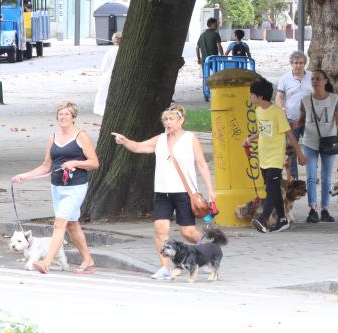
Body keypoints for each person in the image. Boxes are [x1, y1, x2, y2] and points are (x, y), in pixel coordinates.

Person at [111, 104, 216, 279]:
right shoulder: (160, 139)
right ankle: (165, 267)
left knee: (188, 232)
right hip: (162, 192)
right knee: (160, 229)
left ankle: (206, 254)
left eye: (171, 119)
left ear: (181, 120)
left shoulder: (190, 138)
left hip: (184, 192)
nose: (167, 122)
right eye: (165, 119)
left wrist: (210, 190)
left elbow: (201, 164)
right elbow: (138, 147)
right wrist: (125, 141)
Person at [12, 102, 99, 275]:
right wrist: (25, 175)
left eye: (67, 114)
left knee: (59, 223)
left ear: (73, 117)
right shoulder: (53, 137)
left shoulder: (81, 136)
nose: (63, 117)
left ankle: (46, 262)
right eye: (60, 114)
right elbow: (46, 166)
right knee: (72, 224)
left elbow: (94, 163)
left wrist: (75, 163)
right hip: (57, 187)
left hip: (75, 187)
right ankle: (88, 260)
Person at [246, 79, 305, 233]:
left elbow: (289, 134)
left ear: (260, 96)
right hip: (263, 157)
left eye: (251, 94)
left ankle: (263, 219)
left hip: (275, 158)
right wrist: (250, 139)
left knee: (271, 190)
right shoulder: (258, 111)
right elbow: (262, 130)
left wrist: (300, 153)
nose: (250, 97)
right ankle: (282, 220)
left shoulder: (277, 112)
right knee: (273, 189)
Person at [297, 69, 338, 223]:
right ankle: (312, 208)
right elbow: (302, 120)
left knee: (326, 176)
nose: (315, 82)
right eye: (313, 79)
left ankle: (325, 209)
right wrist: (291, 126)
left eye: (318, 79)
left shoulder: (334, 99)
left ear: (325, 81)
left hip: (329, 141)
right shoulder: (305, 99)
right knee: (310, 176)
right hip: (310, 141)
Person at [276, 51, 312, 180]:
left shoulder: (312, 77)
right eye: (296, 63)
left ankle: (311, 176)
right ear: (291, 64)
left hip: (309, 120)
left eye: (301, 63)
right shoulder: (285, 78)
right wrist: (282, 108)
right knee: (291, 151)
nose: (298, 65)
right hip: (291, 119)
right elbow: (279, 96)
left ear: (305, 64)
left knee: (311, 149)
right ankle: (293, 178)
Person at [93, 32, 122, 116]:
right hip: (119, 76)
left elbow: (104, 67)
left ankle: (100, 110)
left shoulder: (110, 51)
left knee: (103, 93)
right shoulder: (124, 52)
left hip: (108, 76)